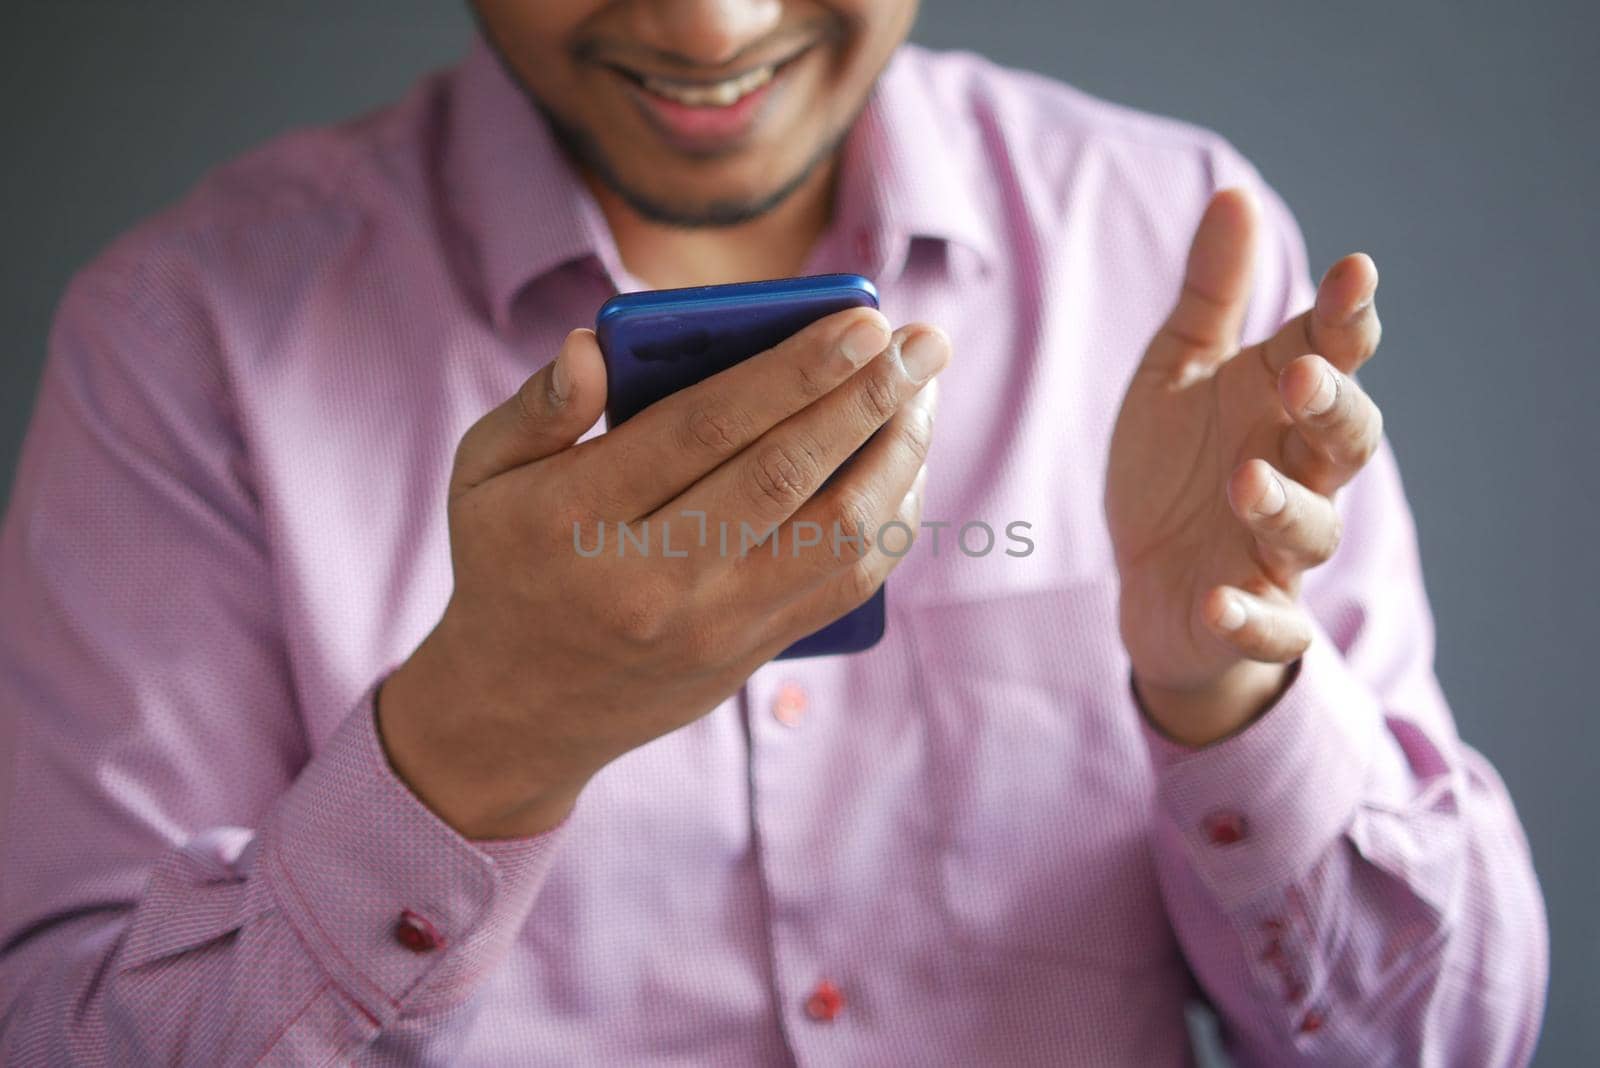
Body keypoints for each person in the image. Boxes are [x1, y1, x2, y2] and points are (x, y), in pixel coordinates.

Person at [0, 1, 1548, 1064]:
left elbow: (1448, 1040)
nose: (708, 30)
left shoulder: (1174, 238)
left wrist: (1229, 697)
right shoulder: (182, 340)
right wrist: (477, 744)